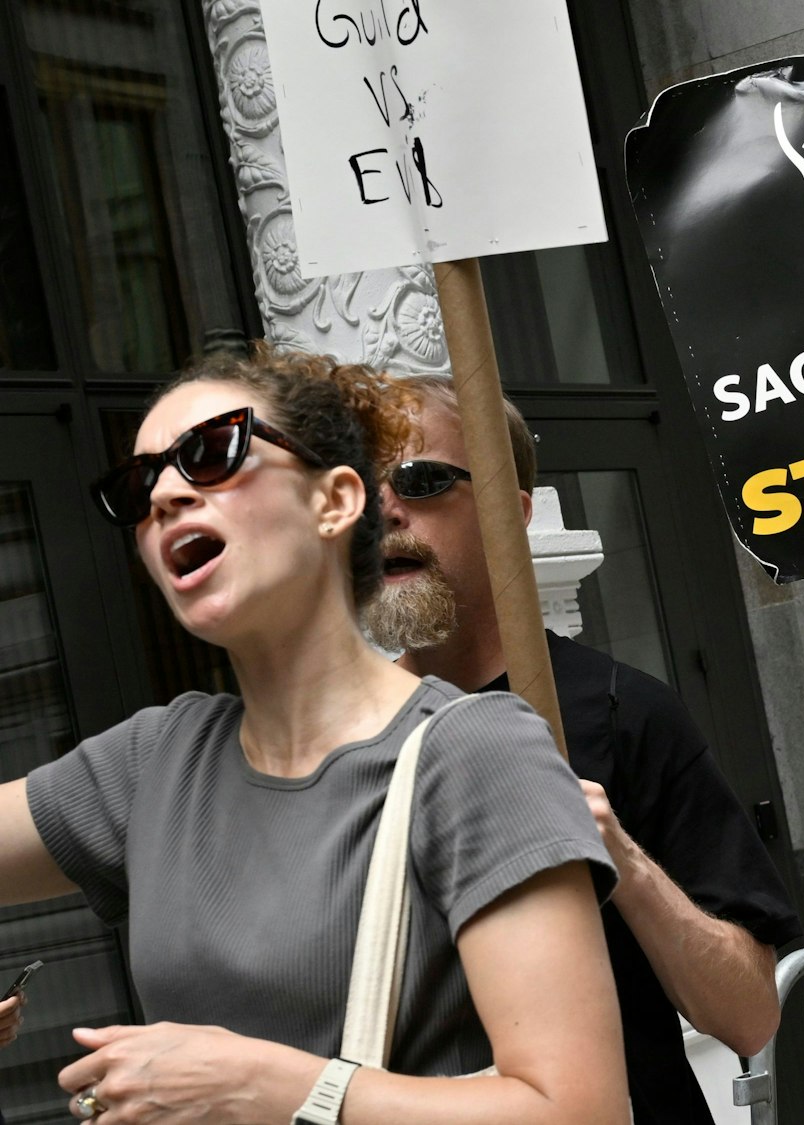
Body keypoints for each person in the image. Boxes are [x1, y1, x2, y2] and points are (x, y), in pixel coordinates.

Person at [0, 346, 626, 1123]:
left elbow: (581, 1112)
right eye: (140, 483)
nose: (163, 493)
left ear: (334, 501)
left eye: (212, 451)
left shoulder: (474, 754)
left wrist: (260, 1084)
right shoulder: (155, 761)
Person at [364, 374, 801, 1125]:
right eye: (358, 489)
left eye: (420, 480)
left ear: (511, 511)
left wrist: (621, 858)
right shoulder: (345, 741)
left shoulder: (626, 712)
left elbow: (749, 1014)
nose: (385, 511)